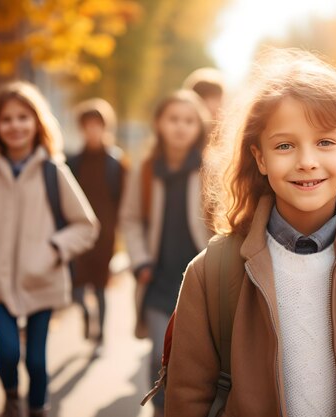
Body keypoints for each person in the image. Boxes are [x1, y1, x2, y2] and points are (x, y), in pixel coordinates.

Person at [164, 49, 336, 416]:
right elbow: (187, 400)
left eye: (325, 142)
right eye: (285, 145)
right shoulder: (210, 274)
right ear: (260, 157)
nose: (307, 161)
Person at [0, 81, 99, 417]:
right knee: (9, 352)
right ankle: (11, 397)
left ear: (37, 123)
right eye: (6, 119)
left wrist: (54, 249)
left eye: (23, 117)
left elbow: (86, 225)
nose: (15, 125)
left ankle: (38, 409)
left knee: (38, 360)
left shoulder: (54, 172)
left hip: (43, 282)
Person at [120, 89, 212, 417]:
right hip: (158, 280)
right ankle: (160, 408)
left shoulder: (209, 169)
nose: (180, 127)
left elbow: (225, 219)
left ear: (199, 127)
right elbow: (130, 219)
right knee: (162, 354)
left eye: (189, 121)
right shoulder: (145, 170)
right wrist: (140, 259)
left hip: (200, 281)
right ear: (159, 123)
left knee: (196, 357)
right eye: (173, 119)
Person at [67, 98, 127, 352]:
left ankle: (101, 335)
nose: (93, 129)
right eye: (87, 125)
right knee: (77, 288)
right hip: (79, 235)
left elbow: (123, 201)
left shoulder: (116, 162)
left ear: (105, 127)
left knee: (101, 287)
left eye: (97, 124)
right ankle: (86, 315)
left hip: (105, 235)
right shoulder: (73, 162)